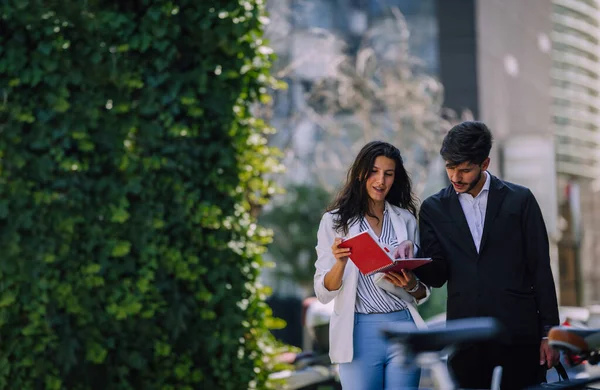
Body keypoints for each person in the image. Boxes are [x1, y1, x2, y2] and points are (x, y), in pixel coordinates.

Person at [414, 121, 560, 389]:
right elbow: (437, 276)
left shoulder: (521, 200)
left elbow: (540, 268)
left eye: (464, 170)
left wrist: (549, 333)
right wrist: (411, 261)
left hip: (518, 334)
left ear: (485, 163)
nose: (455, 177)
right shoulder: (433, 209)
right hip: (464, 338)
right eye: (449, 167)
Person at [313, 141, 430, 390]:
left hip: (404, 328)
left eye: (388, 174)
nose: (381, 180)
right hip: (359, 333)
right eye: (374, 172)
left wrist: (412, 284)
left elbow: (422, 293)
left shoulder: (406, 220)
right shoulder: (333, 223)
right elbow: (324, 292)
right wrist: (340, 262)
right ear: (360, 174)